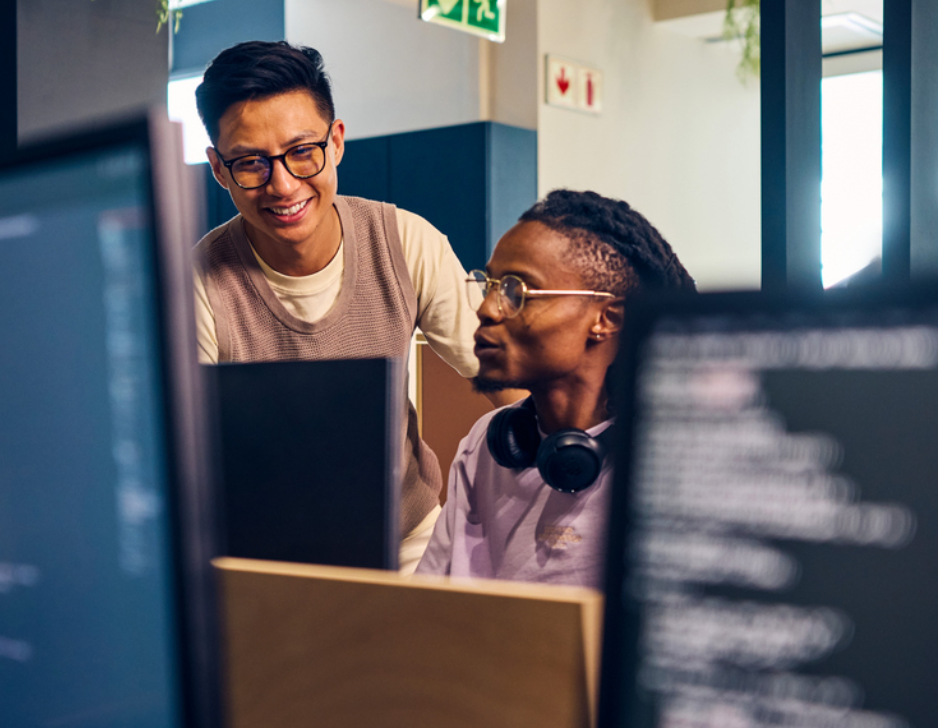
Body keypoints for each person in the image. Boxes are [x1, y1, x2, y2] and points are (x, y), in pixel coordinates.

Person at [192, 40, 495, 573]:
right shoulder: (199, 281)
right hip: (263, 552)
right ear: (219, 169)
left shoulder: (405, 240)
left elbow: (504, 370)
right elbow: (186, 457)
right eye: (250, 163)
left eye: (302, 151)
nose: (282, 185)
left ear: (336, 142)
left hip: (409, 538)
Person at [415, 189, 695, 588]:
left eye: (516, 290)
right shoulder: (487, 445)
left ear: (605, 319)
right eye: (489, 284)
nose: (486, 308)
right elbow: (427, 605)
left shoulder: (670, 460)